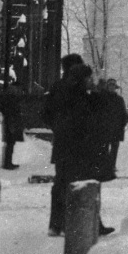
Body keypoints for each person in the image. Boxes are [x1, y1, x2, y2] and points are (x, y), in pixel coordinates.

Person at [43, 55, 97, 236]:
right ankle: (69, 224)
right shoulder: (79, 91)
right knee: (76, 182)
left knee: (60, 182)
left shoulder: (57, 87)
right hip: (77, 144)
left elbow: (46, 113)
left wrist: (57, 129)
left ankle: (55, 224)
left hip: (62, 143)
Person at [97, 78, 128, 185]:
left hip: (116, 129)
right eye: (110, 86)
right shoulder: (101, 98)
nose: (111, 88)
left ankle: (111, 166)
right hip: (104, 128)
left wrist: (122, 123)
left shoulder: (119, 99)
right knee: (104, 148)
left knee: (114, 149)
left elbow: (124, 114)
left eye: (113, 86)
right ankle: (105, 167)